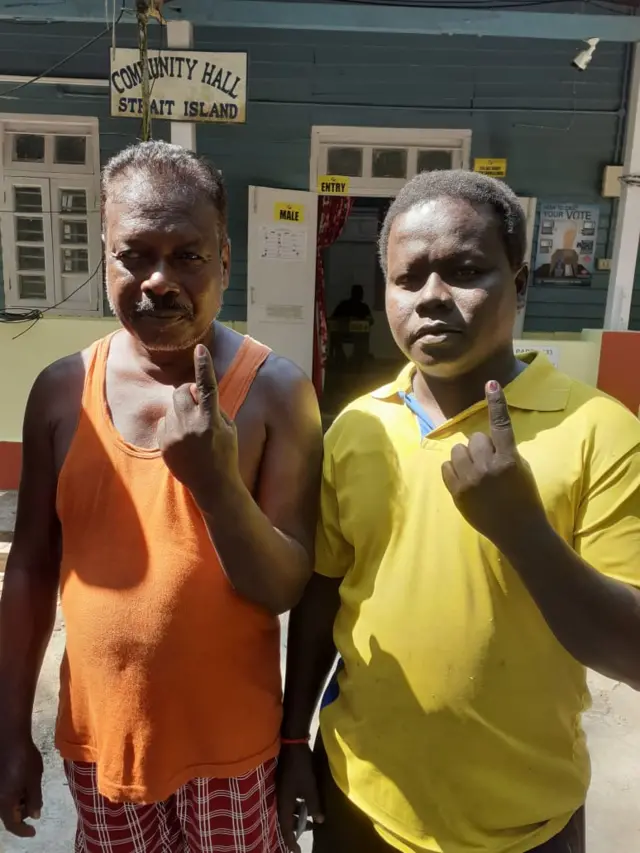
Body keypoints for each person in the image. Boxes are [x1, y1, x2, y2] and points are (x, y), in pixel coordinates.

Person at [277, 170, 640, 853]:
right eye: (408, 279)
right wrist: (295, 738)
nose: (432, 298)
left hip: (526, 824)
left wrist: (522, 530)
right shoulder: (358, 427)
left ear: (522, 284)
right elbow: (325, 595)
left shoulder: (600, 430)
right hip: (360, 801)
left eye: (466, 271)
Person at [0, 140, 323, 853]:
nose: (158, 280)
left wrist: (215, 483)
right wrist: (9, 727)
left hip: (233, 749)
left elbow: (285, 585)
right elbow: (28, 568)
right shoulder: (61, 393)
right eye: (134, 254)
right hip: (101, 744)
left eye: (188, 255)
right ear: (106, 256)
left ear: (226, 261)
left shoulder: (277, 393)